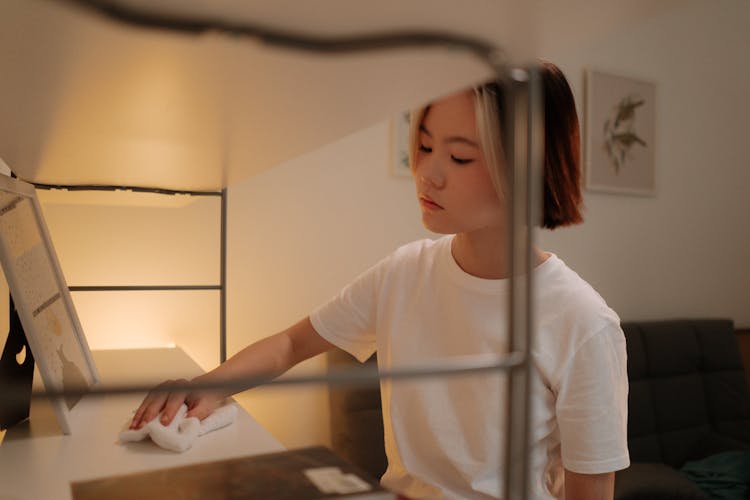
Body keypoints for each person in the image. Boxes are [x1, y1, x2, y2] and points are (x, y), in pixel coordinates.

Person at [130, 61, 629, 499]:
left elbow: (590, 491)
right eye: (425, 144)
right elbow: (289, 344)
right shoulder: (404, 274)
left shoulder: (582, 321)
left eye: (458, 157)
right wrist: (205, 388)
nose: (427, 173)